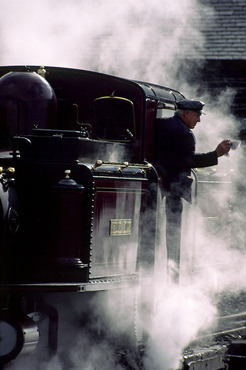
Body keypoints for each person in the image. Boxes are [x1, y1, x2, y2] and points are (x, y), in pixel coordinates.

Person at [155, 99, 231, 282]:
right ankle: (172, 279)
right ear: (186, 113)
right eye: (197, 115)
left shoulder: (160, 125)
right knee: (174, 235)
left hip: (155, 186)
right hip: (173, 190)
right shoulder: (185, 133)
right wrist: (216, 154)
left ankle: (162, 274)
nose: (199, 120)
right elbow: (188, 161)